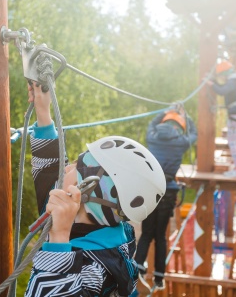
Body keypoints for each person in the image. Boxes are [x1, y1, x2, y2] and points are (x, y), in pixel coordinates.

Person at [24, 81, 167, 297]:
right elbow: (50, 172)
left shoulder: (95, 269)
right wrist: (43, 113)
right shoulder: (104, 230)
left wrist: (59, 238)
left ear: (86, 189)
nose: (66, 166)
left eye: (74, 165)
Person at [132, 109, 197, 294]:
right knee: (160, 236)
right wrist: (186, 115)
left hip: (151, 189)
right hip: (168, 191)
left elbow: (152, 125)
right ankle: (159, 276)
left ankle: (138, 268)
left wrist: (163, 111)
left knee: (146, 234)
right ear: (179, 127)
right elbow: (194, 134)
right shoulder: (181, 142)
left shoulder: (153, 137)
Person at [206, 60, 236, 177]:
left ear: (225, 73)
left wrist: (211, 84)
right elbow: (223, 87)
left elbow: (222, 90)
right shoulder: (235, 80)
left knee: (232, 142)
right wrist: (213, 81)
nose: (221, 78)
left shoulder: (232, 82)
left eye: (221, 75)